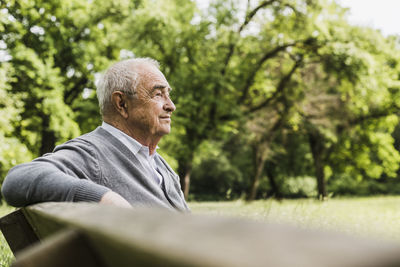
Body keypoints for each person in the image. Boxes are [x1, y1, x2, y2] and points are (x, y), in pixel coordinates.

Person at [1, 58, 189, 212]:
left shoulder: (159, 164)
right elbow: (17, 180)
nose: (171, 105)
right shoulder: (94, 153)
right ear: (122, 103)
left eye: (168, 94)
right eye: (158, 94)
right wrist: (101, 197)